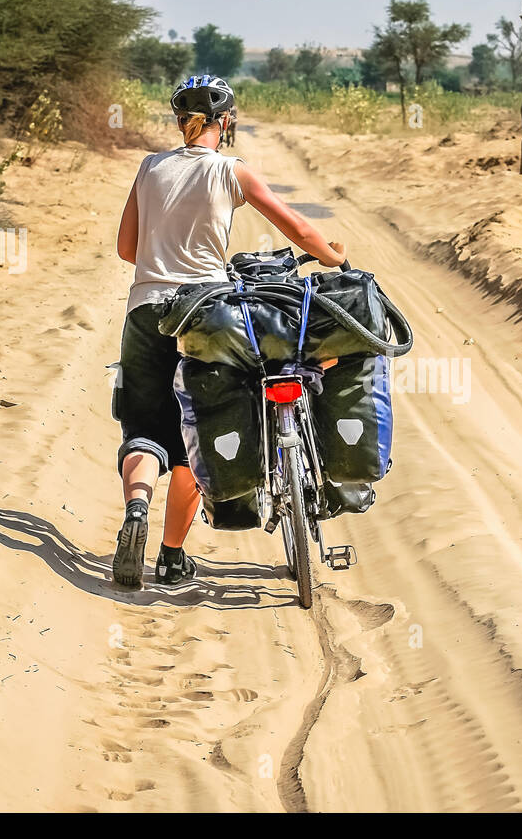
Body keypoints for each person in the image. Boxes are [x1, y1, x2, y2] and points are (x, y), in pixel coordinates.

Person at [111, 75, 346, 590]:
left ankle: (135, 512)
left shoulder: (149, 168)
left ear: (179, 122)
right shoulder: (231, 171)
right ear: (227, 122)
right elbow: (298, 229)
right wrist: (335, 257)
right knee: (198, 426)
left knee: (145, 429)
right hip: (206, 316)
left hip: (146, 309)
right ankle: (171, 556)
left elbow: (127, 250)